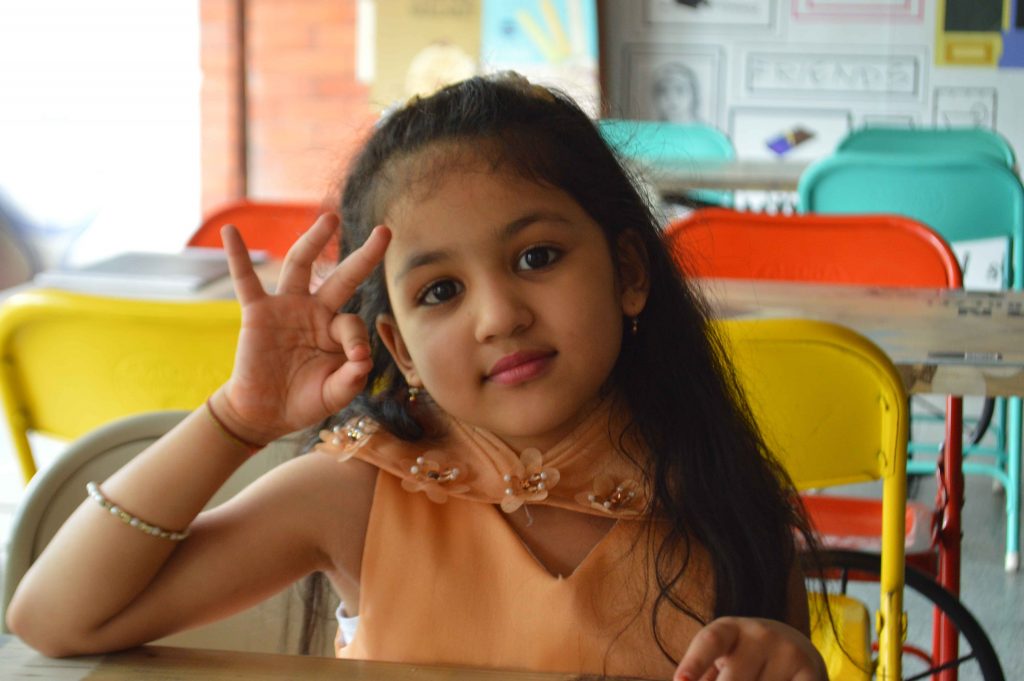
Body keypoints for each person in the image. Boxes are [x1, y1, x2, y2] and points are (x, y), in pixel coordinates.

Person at [7, 73, 828, 681]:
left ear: (629, 272)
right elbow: (54, 618)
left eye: (537, 256)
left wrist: (795, 662)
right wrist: (236, 418)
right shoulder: (359, 494)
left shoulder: (724, 502)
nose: (498, 315)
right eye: (441, 291)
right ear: (399, 350)